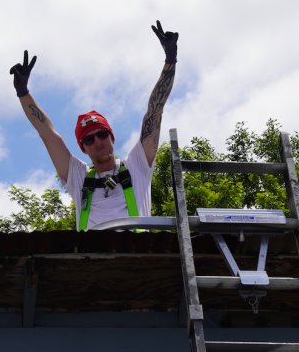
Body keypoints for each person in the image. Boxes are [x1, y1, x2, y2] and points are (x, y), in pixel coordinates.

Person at [10, 20, 178, 230]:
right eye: (89, 139)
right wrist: (23, 93)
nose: (97, 141)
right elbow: (48, 134)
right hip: (93, 261)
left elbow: (155, 110)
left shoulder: (137, 166)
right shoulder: (78, 177)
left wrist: (170, 60)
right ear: (83, 147)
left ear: (111, 136)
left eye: (101, 134)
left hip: (135, 258)